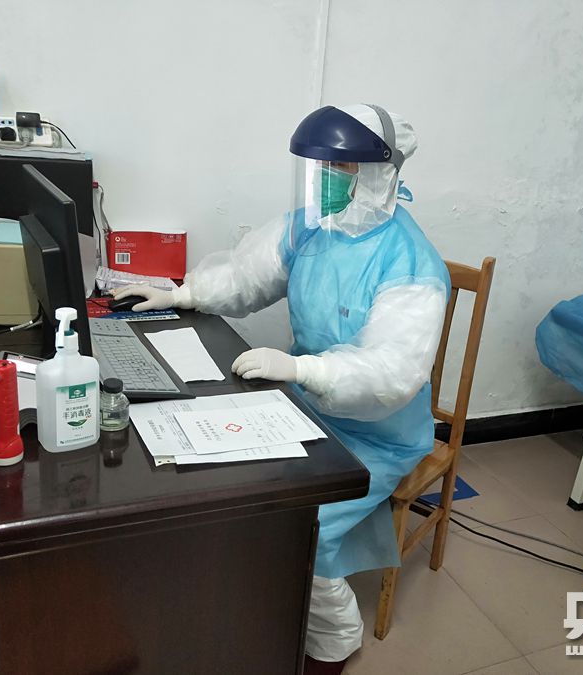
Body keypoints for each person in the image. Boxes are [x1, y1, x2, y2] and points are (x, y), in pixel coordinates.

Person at [113, 104, 450, 673]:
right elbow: (247, 275)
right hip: (302, 406)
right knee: (229, 486)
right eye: (323, 166)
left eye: (342, 166)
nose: (327, 178)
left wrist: (303, 370)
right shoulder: (312, 227)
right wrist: (182, 294)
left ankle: (333, 643)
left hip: (375, 434)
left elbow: (391, 374)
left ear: (381, 171)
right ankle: (256, 600)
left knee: (304, 529)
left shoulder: (411, 263)